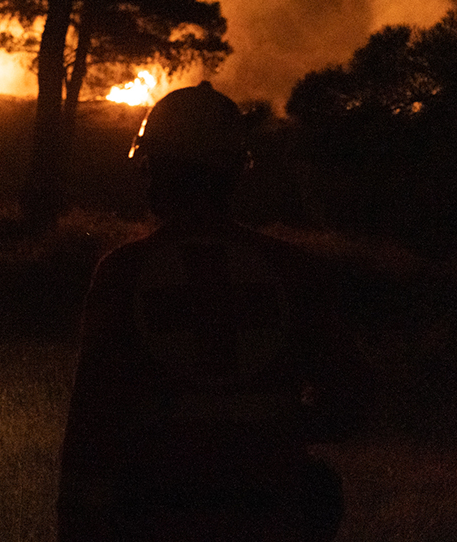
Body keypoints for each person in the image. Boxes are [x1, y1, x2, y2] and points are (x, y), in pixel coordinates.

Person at [58, 82, 371, 541]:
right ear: (237, 171)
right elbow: (350, 399)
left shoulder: (124, 273)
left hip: (156, 515)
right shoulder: (294, 271)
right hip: (269, 514)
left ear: (157, 168)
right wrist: (274, 434)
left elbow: (93, 422)